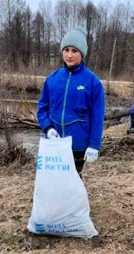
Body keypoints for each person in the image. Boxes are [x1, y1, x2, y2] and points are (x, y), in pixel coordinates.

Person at [37, 27, 105, 177]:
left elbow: (97, 116)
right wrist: (48, 129)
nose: (69, 55)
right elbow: (42, 108)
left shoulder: (93, 82)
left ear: (82, 54)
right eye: (66, 50)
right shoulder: (52, 79)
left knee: (73, 180)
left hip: (78, 144)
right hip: (55, 143)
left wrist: (94, 145)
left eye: (74, 51)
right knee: (54, 180)